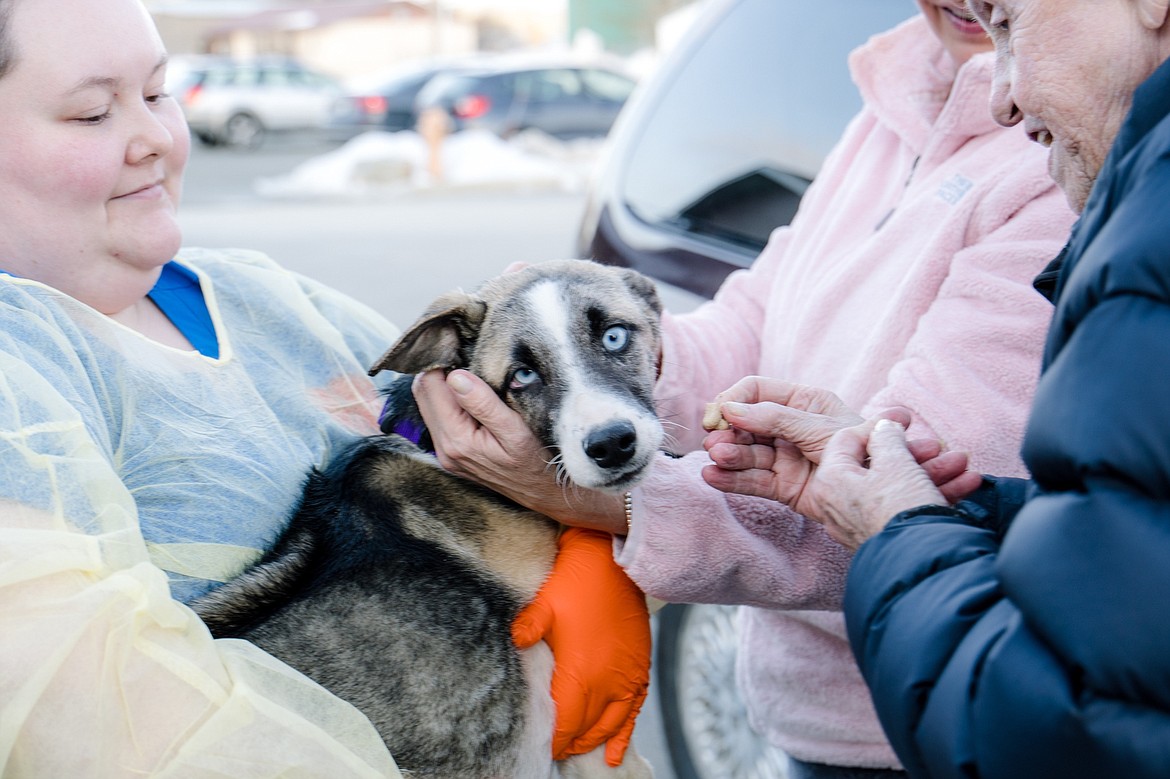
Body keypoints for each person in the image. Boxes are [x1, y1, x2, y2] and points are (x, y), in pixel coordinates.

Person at [411, 2, 1078, 777]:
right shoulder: (892, 103)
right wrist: (596, 346)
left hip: (943, 721)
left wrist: (615, 503)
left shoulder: (1066, 152)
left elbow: (919, 500)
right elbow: (759, 315)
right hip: (810, 713)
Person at [699, 0, 1170, 775]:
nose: (1002, 92)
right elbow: (1134, 539)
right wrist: (963, 505)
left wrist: (896, 521)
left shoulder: (1134, 240)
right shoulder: (883, 115)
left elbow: (1058, 724)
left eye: (1011, 22)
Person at [0, 0, 408, 774]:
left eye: (157, 93)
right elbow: (115, 721)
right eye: (93, 113)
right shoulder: (17, 374)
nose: (155, 137)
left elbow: (499, 430)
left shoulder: (264, 296)